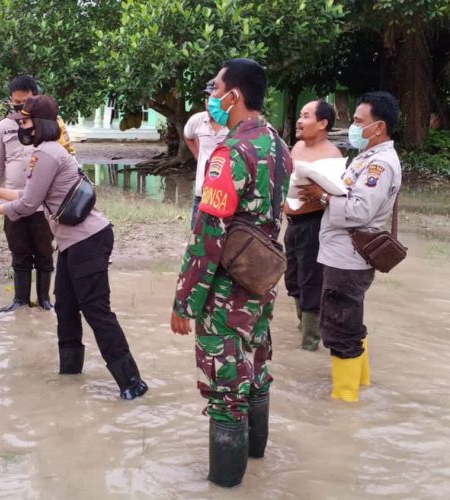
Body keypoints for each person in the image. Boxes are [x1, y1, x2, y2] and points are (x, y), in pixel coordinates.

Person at [169, 59, 292, 487]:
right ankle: (256, 458)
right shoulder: (277, 145)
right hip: (261, 282)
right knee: (256, 369)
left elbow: (208, 235)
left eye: (214, 88)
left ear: (233, 95)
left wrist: (185, 302)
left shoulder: (231, 152)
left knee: (225, 389)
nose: (211, 97)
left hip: (226, 291)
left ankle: (226, 484)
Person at [0, 95, 149, 401]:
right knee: (65, 306)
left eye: (26, 120)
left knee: (96, 311)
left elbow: (28, 203)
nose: (21, 125)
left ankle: (132, 382)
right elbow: (28, 193)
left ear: (42, 123)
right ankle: (70, 374)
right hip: (75, 242)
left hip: (87, 240)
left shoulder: (45, 154)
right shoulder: (50, 151)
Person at [298, 92, 402, 403]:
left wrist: (324, 196)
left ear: (379, 127)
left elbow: (359, 211)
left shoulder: (379, 165)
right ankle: (361, 386)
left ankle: (344, 402)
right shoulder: (366, 157)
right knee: (350, 322)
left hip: (349, 258)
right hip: (343, 254)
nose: (353, 127)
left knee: (341, 329)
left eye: (359, 122)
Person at [0, 75, 75, 313]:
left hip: (43, 206)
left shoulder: (53, 127)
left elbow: (69, 161)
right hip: (12, 203)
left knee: (45, 251)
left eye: (25, 104)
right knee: (19, 251)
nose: (20, 110)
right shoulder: (4, 127)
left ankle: (45, 299)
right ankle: (20, 300)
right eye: (16, 105)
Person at [284, 100, 342, 351]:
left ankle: (310, 341)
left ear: (322, 123)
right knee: (293, 278)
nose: (299, 120)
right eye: (300, 115)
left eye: (305, 116)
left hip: (314, 225)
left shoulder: (332, 155)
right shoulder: (297, 146)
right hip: (292, 223)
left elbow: (339, 196)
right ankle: (306, 325)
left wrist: (320, 193)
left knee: (311, 281)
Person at [184, 79, 229, 230]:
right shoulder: (196, 121)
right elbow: (188, 136)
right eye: (206, 98)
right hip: (202, 190)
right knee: (197, 234)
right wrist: (198, 155)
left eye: (213, 98)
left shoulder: (233, 124)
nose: (209, 102)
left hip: (225, 192)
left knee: (222, 236)